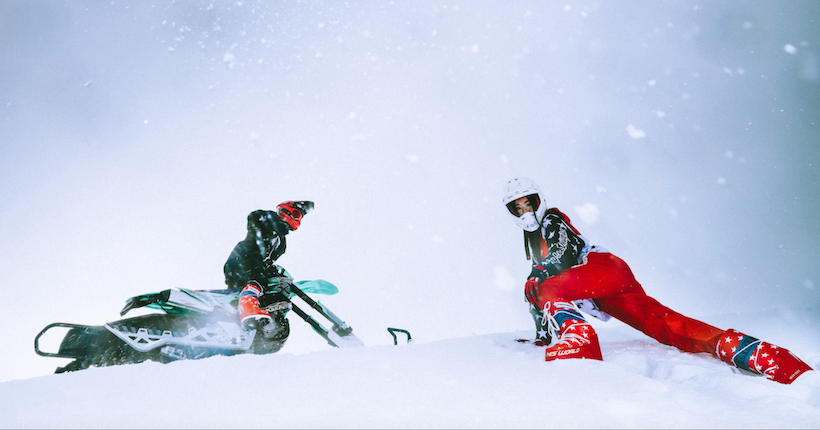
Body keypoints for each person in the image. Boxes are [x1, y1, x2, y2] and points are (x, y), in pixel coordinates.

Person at [503, 177, 813, 384]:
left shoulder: (552, 219)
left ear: (538, 200)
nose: (525, 211)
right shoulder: (530, 238)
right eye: (517, 207)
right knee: (665, 326)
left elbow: (562, 253)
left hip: (599, 269)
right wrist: (543, 336)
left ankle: (581, 339)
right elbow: (540, 298)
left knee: (542, 285)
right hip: (606, 288)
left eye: (528, 202)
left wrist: (540, 276)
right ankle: (759, 354)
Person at [223, 200, 314, 352]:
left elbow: (268, 261)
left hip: (255, 265)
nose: (298, 219)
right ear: (286, 211)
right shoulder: (268, 220)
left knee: (267, 283)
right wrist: (273, 222)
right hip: (242, 260)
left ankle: (252, 319)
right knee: (258, 277)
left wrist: (274, 272)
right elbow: (253, 216)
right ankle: (248, 306)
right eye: (297, 214)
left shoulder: (281, 243)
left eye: (300, 217)